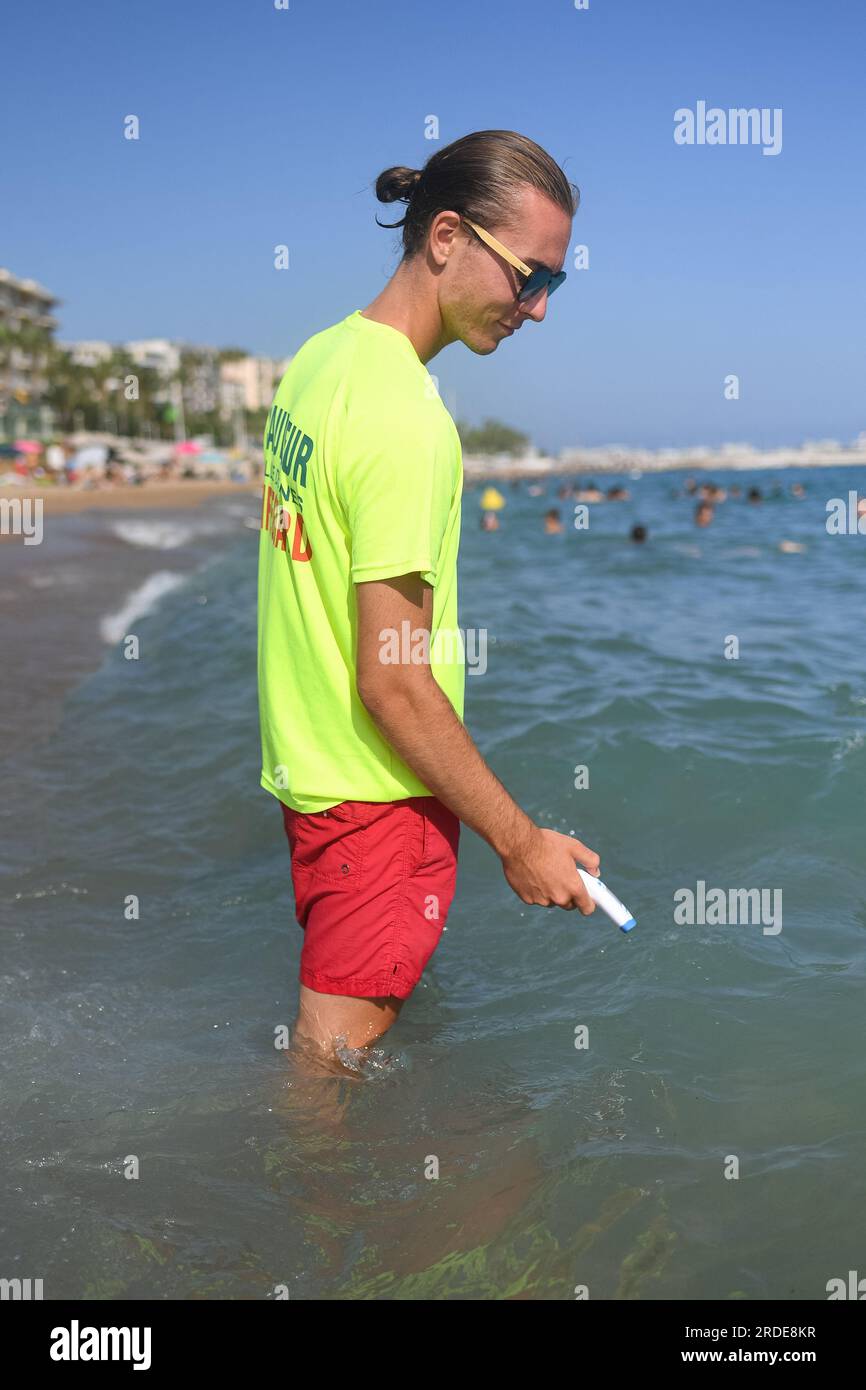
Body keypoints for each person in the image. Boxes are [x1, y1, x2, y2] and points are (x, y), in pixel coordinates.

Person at [257, 130, 600, 1069]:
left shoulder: (320, 362)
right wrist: (520, 841)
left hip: (311, 783)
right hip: (379, 808)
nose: (536, 309)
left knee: (339, 1061)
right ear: (446, 235)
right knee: (328, 1080)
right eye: (530, 276)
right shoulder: (408, 423)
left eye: (553, 286)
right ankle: (297, 1217)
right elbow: (395, 683)